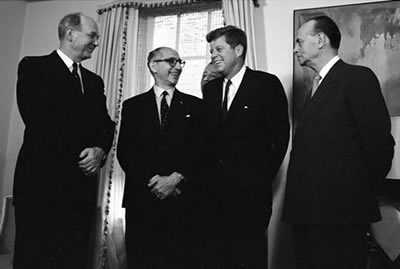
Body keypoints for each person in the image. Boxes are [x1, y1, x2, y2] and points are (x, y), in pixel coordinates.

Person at [283, 15, 395, 269]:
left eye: (300, 41)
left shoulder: (356, 78)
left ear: (320, 40)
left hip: (341, 215)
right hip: (308, 214)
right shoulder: (316, 85)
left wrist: (357, 197)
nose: (295, 48)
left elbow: (379, 146)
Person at [13, 12, 115, 269]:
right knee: (36, 257)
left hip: (80, 189)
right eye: (92, 35)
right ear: (71, 33)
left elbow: (106, 124)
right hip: (41, 185)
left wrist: (99, 150)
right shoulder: (33, 67)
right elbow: (39, 121)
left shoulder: (94, 81)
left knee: (74, 256)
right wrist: (83, 153)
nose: (96, 42)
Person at [201, 25, 290, 268]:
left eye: (219, 49)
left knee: (248, 258)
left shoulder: (266, 84)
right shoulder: (210, 90)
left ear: (238, 49)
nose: (213, 55)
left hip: (250, 198)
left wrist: (258, 179)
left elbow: (280, 139)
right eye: (211, 51)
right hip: (214, 198)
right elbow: (205, 141)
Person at [117, 47, 204, 269]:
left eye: (180, 62)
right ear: (153, 66)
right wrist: (154, 181)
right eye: (171, 61)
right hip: (142, 201)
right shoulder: (132, 106)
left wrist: (175, 178)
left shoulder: (196, 106)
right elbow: (126, 152)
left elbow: (199, 150)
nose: (177, 67)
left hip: (182, 200)